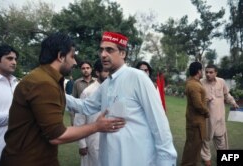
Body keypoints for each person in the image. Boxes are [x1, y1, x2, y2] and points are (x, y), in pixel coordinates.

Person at [0, 32, 125, 166]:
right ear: (60, 56)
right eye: (72, 56)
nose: (75, 62)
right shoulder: (43, 83)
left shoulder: (46, 79)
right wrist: (97, 126)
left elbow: (82, 105)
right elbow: (57, 135)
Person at [66, 31, 177, 166]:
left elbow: (159, 122)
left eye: (109, 50)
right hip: (110, 159)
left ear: (123, 54)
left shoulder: (138, 77)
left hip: (137, 158)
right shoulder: (106, 84)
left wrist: (166, 160)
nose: (103, 55)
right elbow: (85, 106)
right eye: (101, 50)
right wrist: (58, 93)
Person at [200, 64, 239, 166]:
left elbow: (227, 95)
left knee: (221, 139)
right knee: (205, 140)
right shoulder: (201, 82)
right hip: (206, 119)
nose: (208, 74)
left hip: (219, 118)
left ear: (216, 73)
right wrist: (204, 99)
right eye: (206, 72)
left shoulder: (221, 82)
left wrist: (233, 102)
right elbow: (196, 100)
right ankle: (206, 160)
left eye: (211, 72)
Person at [75, 59, 109, 166]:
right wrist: (82, 144)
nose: (109, 74)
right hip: (93, 140)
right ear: (98, 73)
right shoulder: (88, 92)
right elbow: (79, 119)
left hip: (111, 139)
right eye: (106, 71)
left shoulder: (114, 89)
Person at [0, 44, 18, 166]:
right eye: (9, 58)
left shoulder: (17, 83)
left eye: (15, 59)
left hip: (17, 148)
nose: (14, 62)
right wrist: (16, 116)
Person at [181, 61, 209, 166]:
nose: (203, 72)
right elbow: (198, 105)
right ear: (198, 71)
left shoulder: (195, 83)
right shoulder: (194, 85)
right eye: (202, 70)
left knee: (196, 146)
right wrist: (207, 112)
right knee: (192, 146)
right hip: (195, 122)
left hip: (196, 121)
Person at [70, 61, 96, 125]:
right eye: (83, 68)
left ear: (91, 69)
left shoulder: (97, 82)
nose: (86, 70)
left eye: (87, 68)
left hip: (94, 114)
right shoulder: (77, 83)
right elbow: (73, 101)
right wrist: (73, 119)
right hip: (81, 114)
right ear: (81, 70)